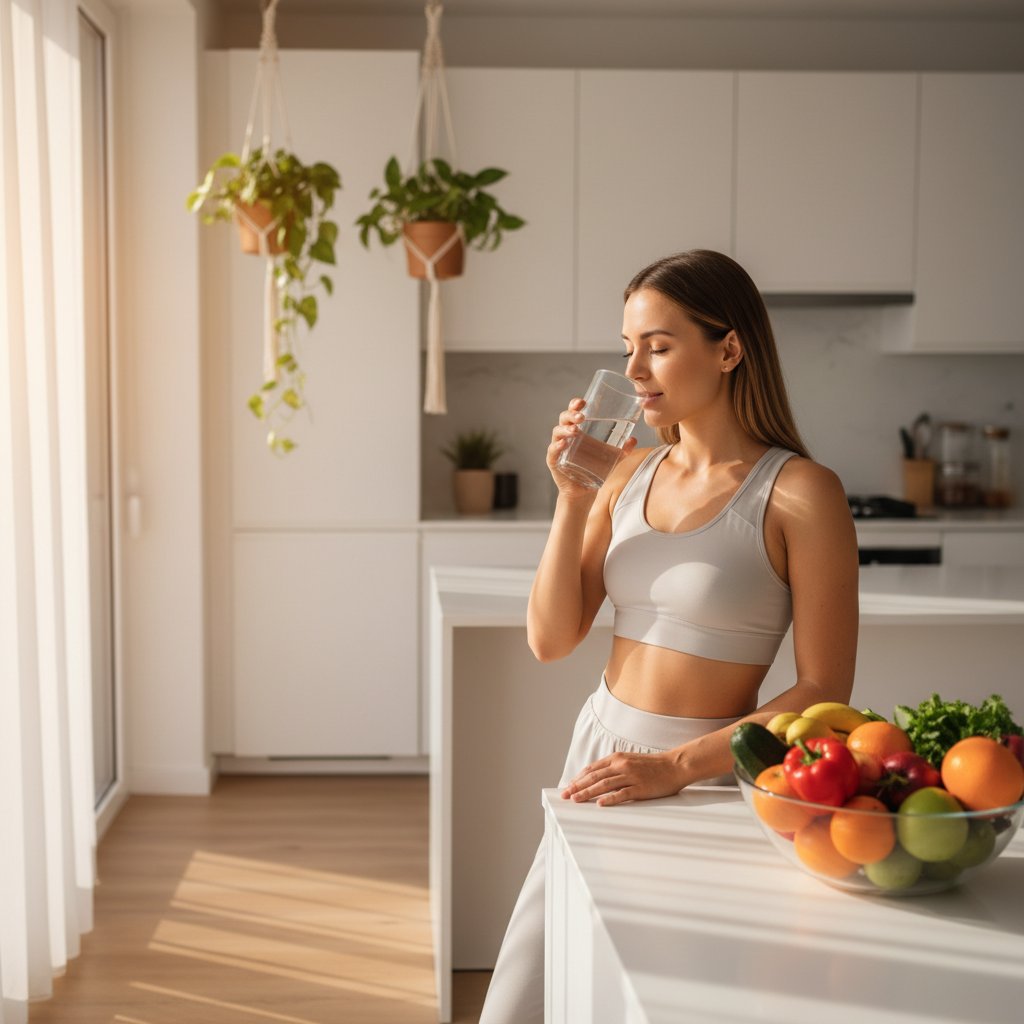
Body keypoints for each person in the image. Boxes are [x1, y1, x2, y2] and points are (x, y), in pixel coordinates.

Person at [478, 249, 859, 1024]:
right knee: (529, 996)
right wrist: (571, 498)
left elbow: (825, 690)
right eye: (628, 349)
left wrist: (675, 768)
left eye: (658, 344)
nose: (637, 368)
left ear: (728, 348)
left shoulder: (800, 493)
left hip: (710, 777)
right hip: (599, 759)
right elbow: (552, 638)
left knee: (661, 1003)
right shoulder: (623, 474)